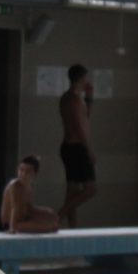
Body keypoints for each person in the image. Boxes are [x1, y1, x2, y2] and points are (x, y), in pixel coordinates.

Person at [56, 63, 97, 228]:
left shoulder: (71, 98)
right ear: (81, 79)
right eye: (85, 78)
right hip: (76, 147)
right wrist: (89, 150)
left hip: (71, 147)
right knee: (90, 189)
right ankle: (58, 216)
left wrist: (89, 97)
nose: (87, 81)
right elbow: (78, 127)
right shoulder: (72, 99)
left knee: (72, 192)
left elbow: (85, 117)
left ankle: (72, 229)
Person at [0, 155, 61, 233]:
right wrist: (12, 228)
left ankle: (40, 224)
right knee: (48, 227)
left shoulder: (30, 186)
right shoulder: (15, 185)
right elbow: (15, 207)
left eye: (28, 171)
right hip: (12, 223)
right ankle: (21, 226)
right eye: (21, 170)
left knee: (53, 217)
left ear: (35, 173)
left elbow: (29, 208)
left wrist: (48, 212)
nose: (23, 174)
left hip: (25, 218)